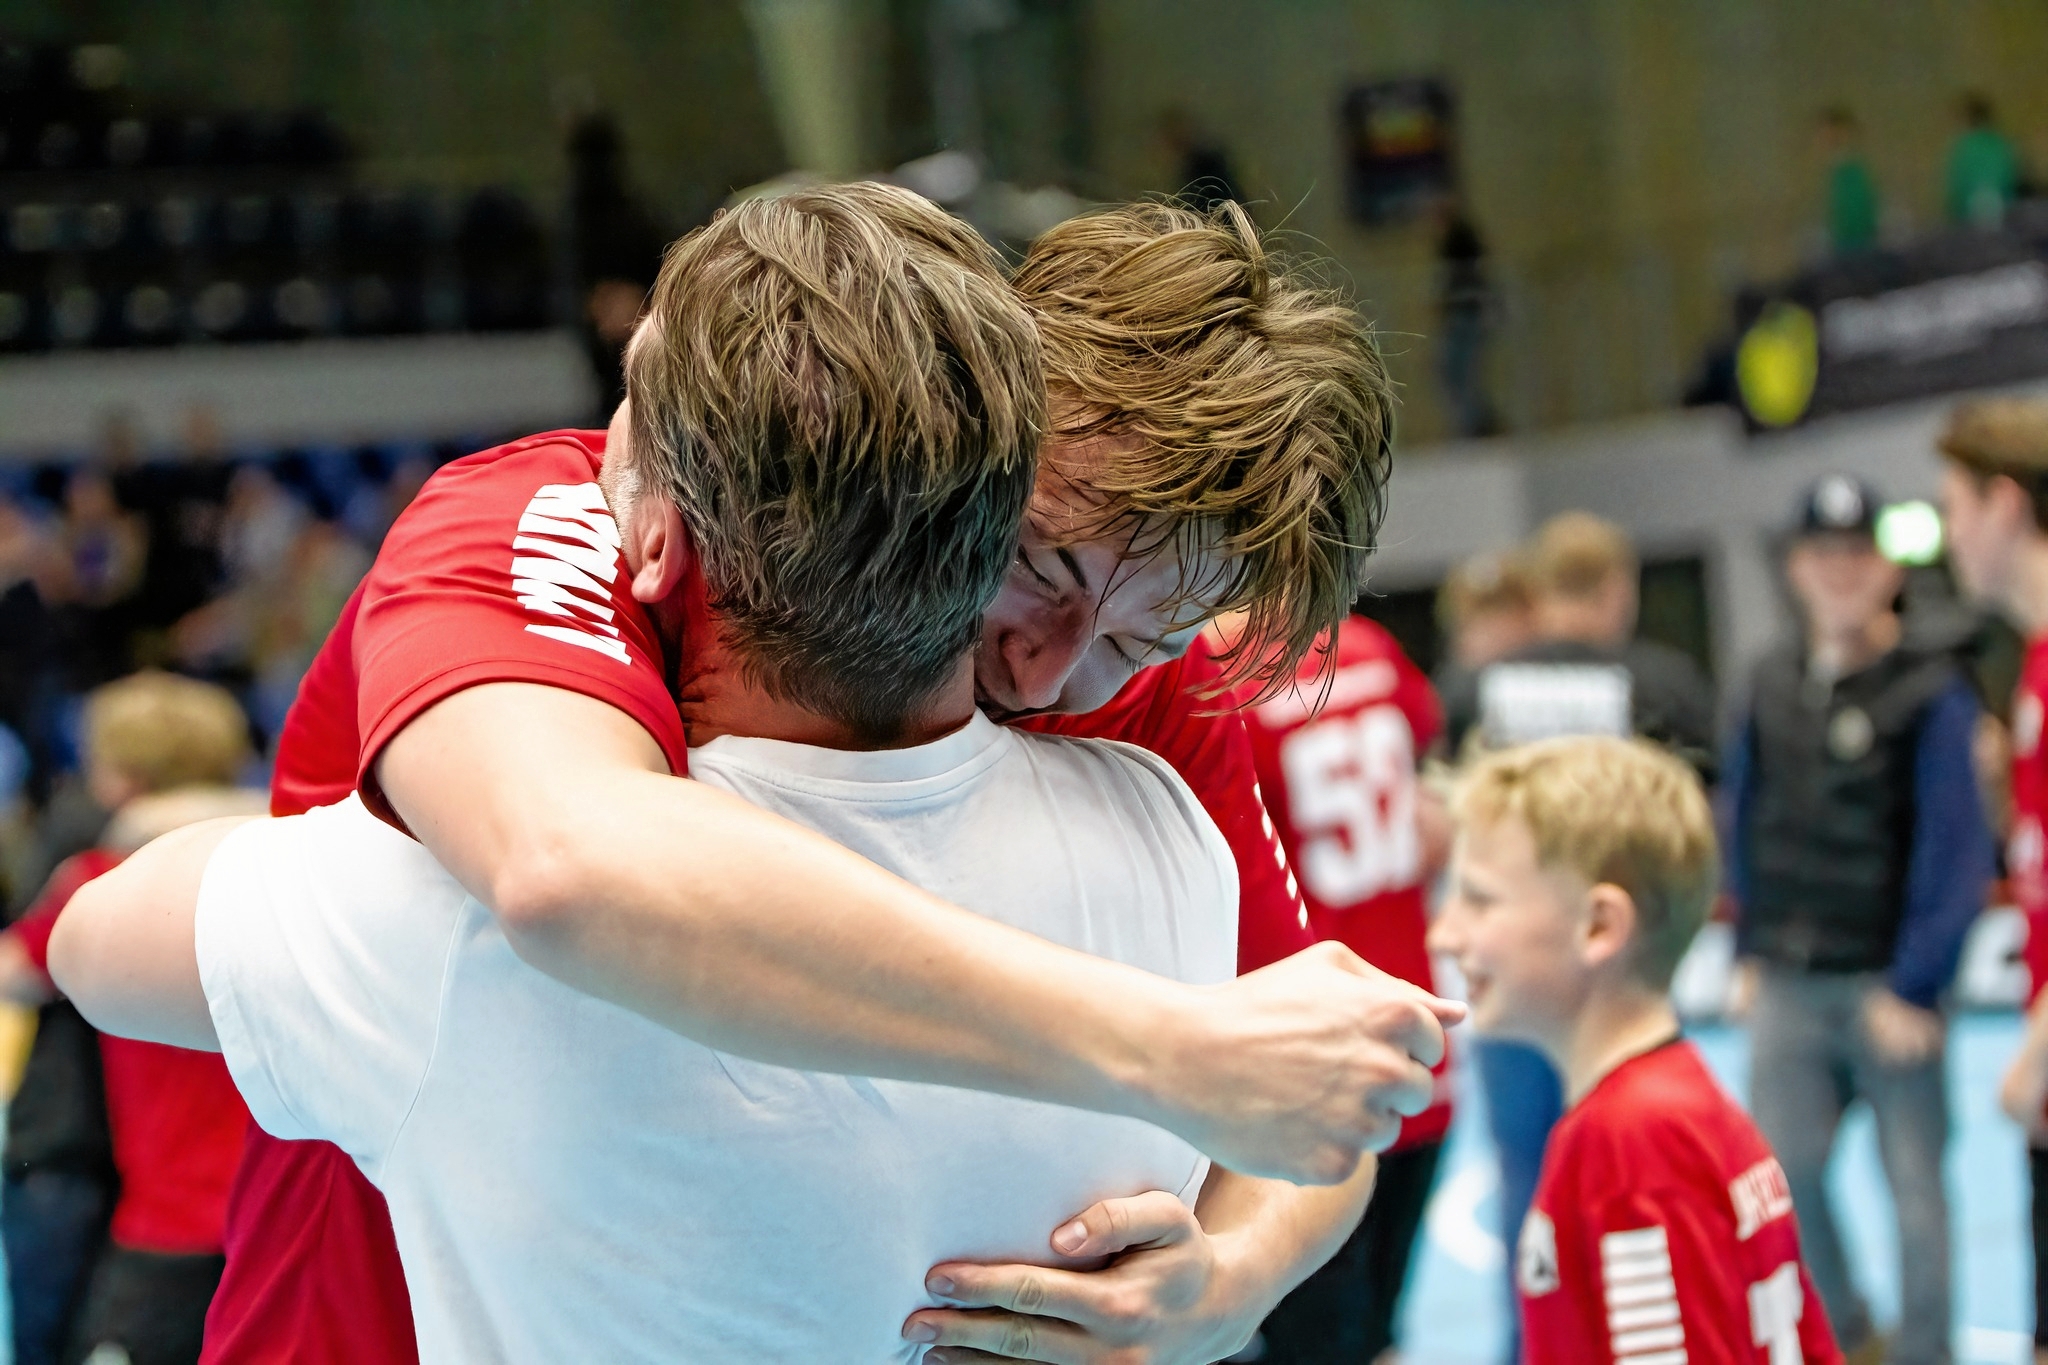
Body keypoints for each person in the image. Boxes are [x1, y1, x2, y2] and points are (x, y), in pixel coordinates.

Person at [52, 185, 1338, 1361]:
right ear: (979, 430)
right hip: (387, 1316)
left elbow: (1314, 1071)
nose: (1051, 673)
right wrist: (1159, 1046)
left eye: (1138, 633)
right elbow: (573, 868)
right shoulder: (580, 527)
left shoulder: (1145, 701)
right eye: (1039, 566)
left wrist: (1227, 1282)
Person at [1429, 735, 1842, 1364]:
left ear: (1599, 928)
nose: (1444, 932)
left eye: (1480, 900)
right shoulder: (1675, 1109)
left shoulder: (1630, 1143)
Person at [1725, 474, 1990, 1365]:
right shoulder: (1768, 680)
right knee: (1783, 1176)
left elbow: (1957, 847)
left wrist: (1917, 981)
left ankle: (1925, 1356)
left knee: (1918, 1196)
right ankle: (1847, 1335)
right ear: (1797, 568)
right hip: (1789, 980)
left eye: (1857, 555)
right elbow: (1745, 815)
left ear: (1887, 568)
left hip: (1888, 987)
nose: (1840, 573)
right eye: (1822, 556)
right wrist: (1748, 945)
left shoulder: (1929, 691)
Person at [1441, 512, 1718, 1357]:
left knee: (1531, 1182)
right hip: (1619, 970)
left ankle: (1530, 1346)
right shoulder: (1662, 685)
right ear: (1619, 591)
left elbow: (1445, 817)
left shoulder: (1473, 690)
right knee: (1646, 1175)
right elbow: (1698, 827)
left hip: (1515, 967)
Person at [0, 672, 262, 1365]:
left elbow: (15, 970)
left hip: (164, 1227)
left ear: (128, 776)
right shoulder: (283, 867)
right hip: (272, 1213)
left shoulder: (105, 878)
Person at [1239, 614, 1455, 1364]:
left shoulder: (1213, 676)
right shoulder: (1365, 644)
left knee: (1308, 1333)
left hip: (1309, 1050)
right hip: (1418, 1031)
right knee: (1379, 1330)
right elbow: (1430, 800)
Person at [1934, 398, 2048, 1365]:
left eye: (1955, 508)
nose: (1948, 536)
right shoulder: (2030, 667)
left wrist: (2036, 1056)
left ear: (2005, 506)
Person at [1946, 92, 2021, 230]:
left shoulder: (1964, 147)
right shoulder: (1999, 143)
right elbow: (2010, 178)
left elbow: (1956, 184)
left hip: (1970, 210)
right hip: (2001, 208)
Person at [1819, 106, 1880, 257]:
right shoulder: (1834, 172)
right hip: (1842, 249)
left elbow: (1860, 216)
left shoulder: (1853, 170)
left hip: (1858, 250)